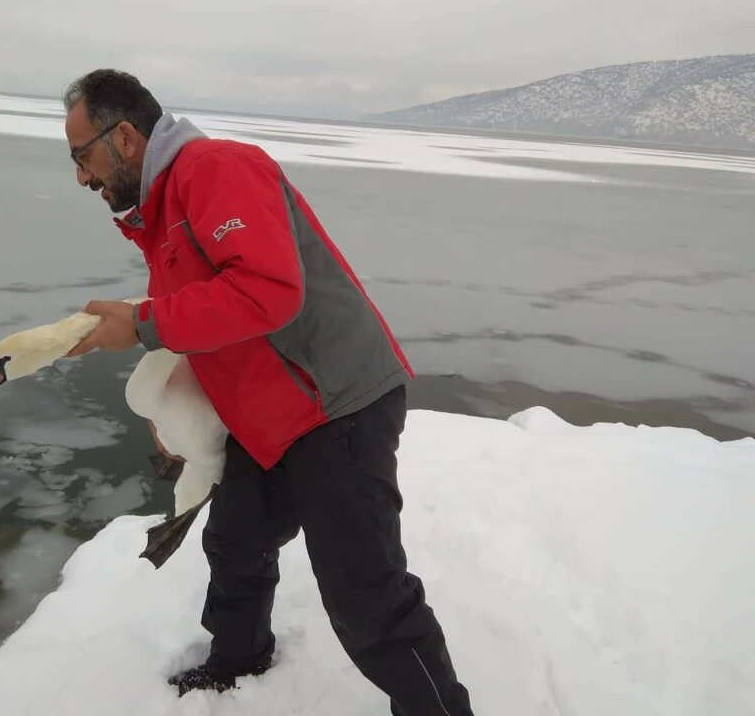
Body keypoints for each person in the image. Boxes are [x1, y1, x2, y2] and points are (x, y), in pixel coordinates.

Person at [62, 69, 474, 716]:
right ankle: (240, 656)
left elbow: (266, 292)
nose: (82, 176)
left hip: (337, 404)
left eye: (81, 155)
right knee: (236, 539)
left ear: (126, 139)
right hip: (273, 415)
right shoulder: (164, 209)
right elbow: (216, 319)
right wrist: (173, 400)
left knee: (366, 595)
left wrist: (141, 324)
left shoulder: (215, 169)